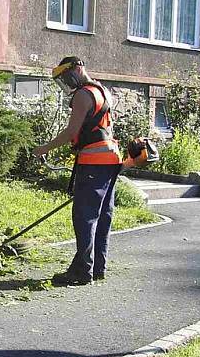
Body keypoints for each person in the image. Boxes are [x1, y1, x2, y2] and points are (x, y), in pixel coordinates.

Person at [32, 57, 132, 286]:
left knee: (85, 217)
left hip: (94, 162)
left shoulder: (82, 95)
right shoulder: (102, 90)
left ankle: (80, 272)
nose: (66, 83)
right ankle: (98, 268)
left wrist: (43, 149)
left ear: (78, 69)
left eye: (67, 77)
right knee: (103, 216)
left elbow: (71, 132)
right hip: (110, 159)